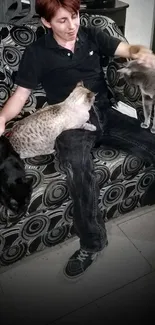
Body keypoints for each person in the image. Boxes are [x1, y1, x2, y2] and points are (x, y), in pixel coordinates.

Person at [0, 0, 155, 279]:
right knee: (77, 167)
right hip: (69, 123)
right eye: (62, 21)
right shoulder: (37, 53)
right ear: (46, 23)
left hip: (105, 112)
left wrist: (142, 51)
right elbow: (20, 96)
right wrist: (1, 118)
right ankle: (93, 243)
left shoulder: (91, 33)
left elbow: (127, 49)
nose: (72, 26)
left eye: (74, 17)